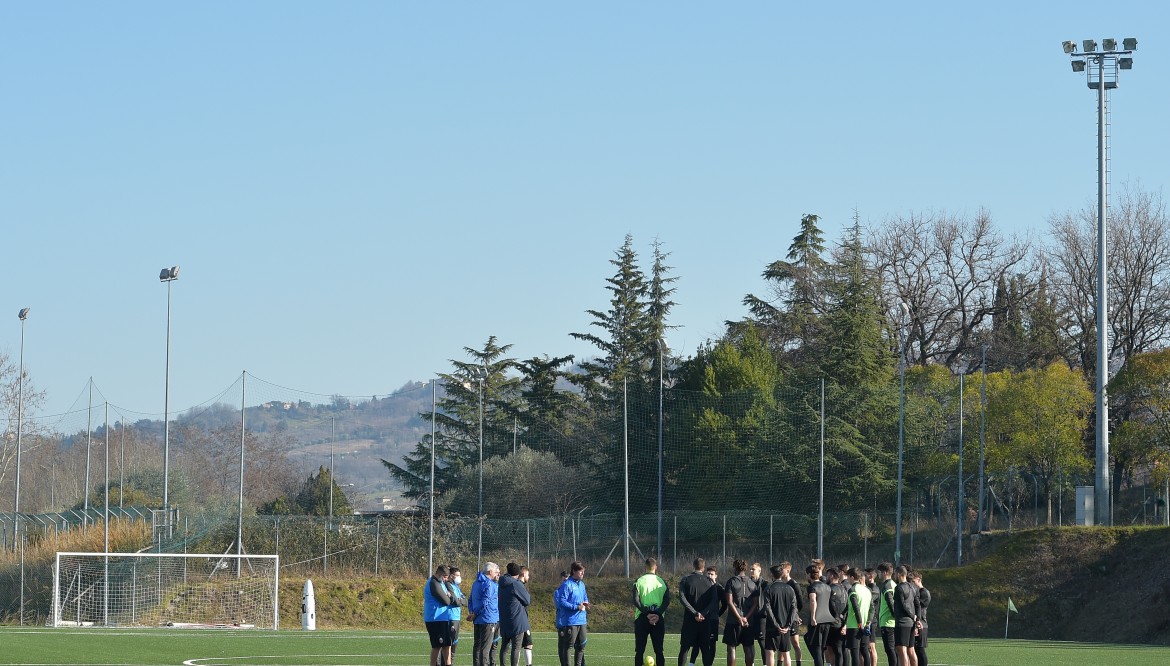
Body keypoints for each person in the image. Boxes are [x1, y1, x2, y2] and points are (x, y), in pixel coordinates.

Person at [679, 558, 721, 666]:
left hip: (689, 620)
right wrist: (702, 613)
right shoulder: (710, 582)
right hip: (704, 621)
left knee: (684, 648)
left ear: (693, 566)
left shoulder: (686, 580)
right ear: (703, 567)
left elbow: (682, 598)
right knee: (705, 649)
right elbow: (714, 601)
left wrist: (694, 613)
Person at [633, 557, 670, 666]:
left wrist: (647, 613)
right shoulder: (662, 582)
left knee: (639, 651)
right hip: (658, 619)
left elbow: (636, 600)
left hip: (642, 618)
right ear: (656, 567)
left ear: (645, 567)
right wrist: (658, 614)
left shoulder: (639, 581)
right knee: (659, 651)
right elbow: (667, 601)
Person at [760, 564, 799, 666]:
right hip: (785, 627)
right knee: (786, 653)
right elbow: (794, 608)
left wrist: (776, 625)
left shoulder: (769, 589)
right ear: (782, 574)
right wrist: (788, 626)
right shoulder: (790, 589)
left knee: (770, 652)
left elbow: (768, 609)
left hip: (772, 627)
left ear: (772, 575)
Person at [722, 559, 758, 666]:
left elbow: (729, 601)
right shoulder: (752, 583)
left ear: (735, 568)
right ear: (746, 568)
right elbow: (755, 604)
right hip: (748, 621)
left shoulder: (731, 581)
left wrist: (739, 618)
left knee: (731, 648)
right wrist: (746, 618)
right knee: (748, 647)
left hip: (733, 620)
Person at [555, 561, 590, 666]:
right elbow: (562, 602)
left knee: (581, 646)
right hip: (571, 621)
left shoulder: (582, 585)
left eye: (583, 572)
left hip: (582, 620)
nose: (582, 574)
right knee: (568, 646)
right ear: (574, 571)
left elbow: (585, 597)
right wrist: (576, 607)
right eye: (580, 572)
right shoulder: (566, 585)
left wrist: (585, 603)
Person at [499, 563, 533, 666]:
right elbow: (527, 600)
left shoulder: (501, 583)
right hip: (517, 621)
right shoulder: (516, 584)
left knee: (504, 647)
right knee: (516, 648)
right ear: (518, 573)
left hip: (504, 620)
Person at [469, 562, 502, 666]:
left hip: (478, 619)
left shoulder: (476, 583)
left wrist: (472, 612)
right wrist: (475, 613)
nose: (498, 574)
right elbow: (485, 601)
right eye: (497, 572)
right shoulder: (489, 584)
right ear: (490, 572)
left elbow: (470, 600)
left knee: (477, 646)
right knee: (485, 648)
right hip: (488, 619)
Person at [424, 565, 457, 666]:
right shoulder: (433, 583)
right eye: (445, 577)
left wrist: (449, 596)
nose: (446, 579)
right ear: (439, 574)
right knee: (437, 645)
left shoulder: (440, 583)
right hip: (434, 619)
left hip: (443, 619)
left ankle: (448, 664)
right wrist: (449, 597)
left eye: (447, 577)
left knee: (447, 644)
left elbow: (450, 597)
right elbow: (446, 601)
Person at [843, 568, 873, 666]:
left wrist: (860, 624)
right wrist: (868, 623)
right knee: (865, 652)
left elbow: (856, 608)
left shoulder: (852, 590)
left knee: (855, 653)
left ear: (852, 577)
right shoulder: (867, 590)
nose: (847, 579)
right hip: (865, 626)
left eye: (848, 577)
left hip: (854, 626)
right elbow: (872, 609)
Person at [891, 567, 920, 666]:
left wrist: (913, 616)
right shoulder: (913, 587)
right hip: (911, 623)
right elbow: (917, 604)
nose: (894, 575)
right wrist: (917, 618)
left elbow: (903, 605)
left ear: (899, 574)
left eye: (895, 573)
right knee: (911, 650)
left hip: (902, 622)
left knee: (901, 650)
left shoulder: (899, 587)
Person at [805, 564, 832, 666]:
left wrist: (813, 617)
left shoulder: (812, 587)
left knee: (817, 649)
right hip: (827, 620)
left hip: (817, 621)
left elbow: (813, 601)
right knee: (821, 648)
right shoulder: (827, 586)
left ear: (809, 574)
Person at [874, 564, 896, 666]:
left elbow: (891, 603)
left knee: (890, 650)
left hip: (888, 623)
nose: (878, 575)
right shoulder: (893, 584)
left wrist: (896, 616)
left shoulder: (887, 586)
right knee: (893, 650)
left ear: (885, 572)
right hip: (891, 622)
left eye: (879, 572)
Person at [447, 567, 467, 666]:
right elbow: (455, 601)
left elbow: (465, 601)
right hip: (450, 617)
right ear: (451, 576)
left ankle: (451, 662)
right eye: (457, 575)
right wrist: (459, 600)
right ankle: (446, 662)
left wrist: (459, 600)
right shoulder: (448, 585)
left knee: (455, 642)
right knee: (449, 643)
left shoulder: (456, 586)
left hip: (456, 617)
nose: (459, 577)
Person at [908, 572, 928, 666]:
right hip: (916, 623)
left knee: (920, 649)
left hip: (921, 624)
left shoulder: (924, 593)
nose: (911, 583)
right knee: (916, 649)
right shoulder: (915, 591)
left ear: (919, 580)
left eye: (913, 581)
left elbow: (918, 607)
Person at [864, 569, 880, 666]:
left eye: (865, 575)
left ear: (870, 577)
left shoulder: (874, 589)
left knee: (871, 646)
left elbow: (868, 601)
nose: (863, 577)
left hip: (872, 621)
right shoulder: (868, 588)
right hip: (867, 620)